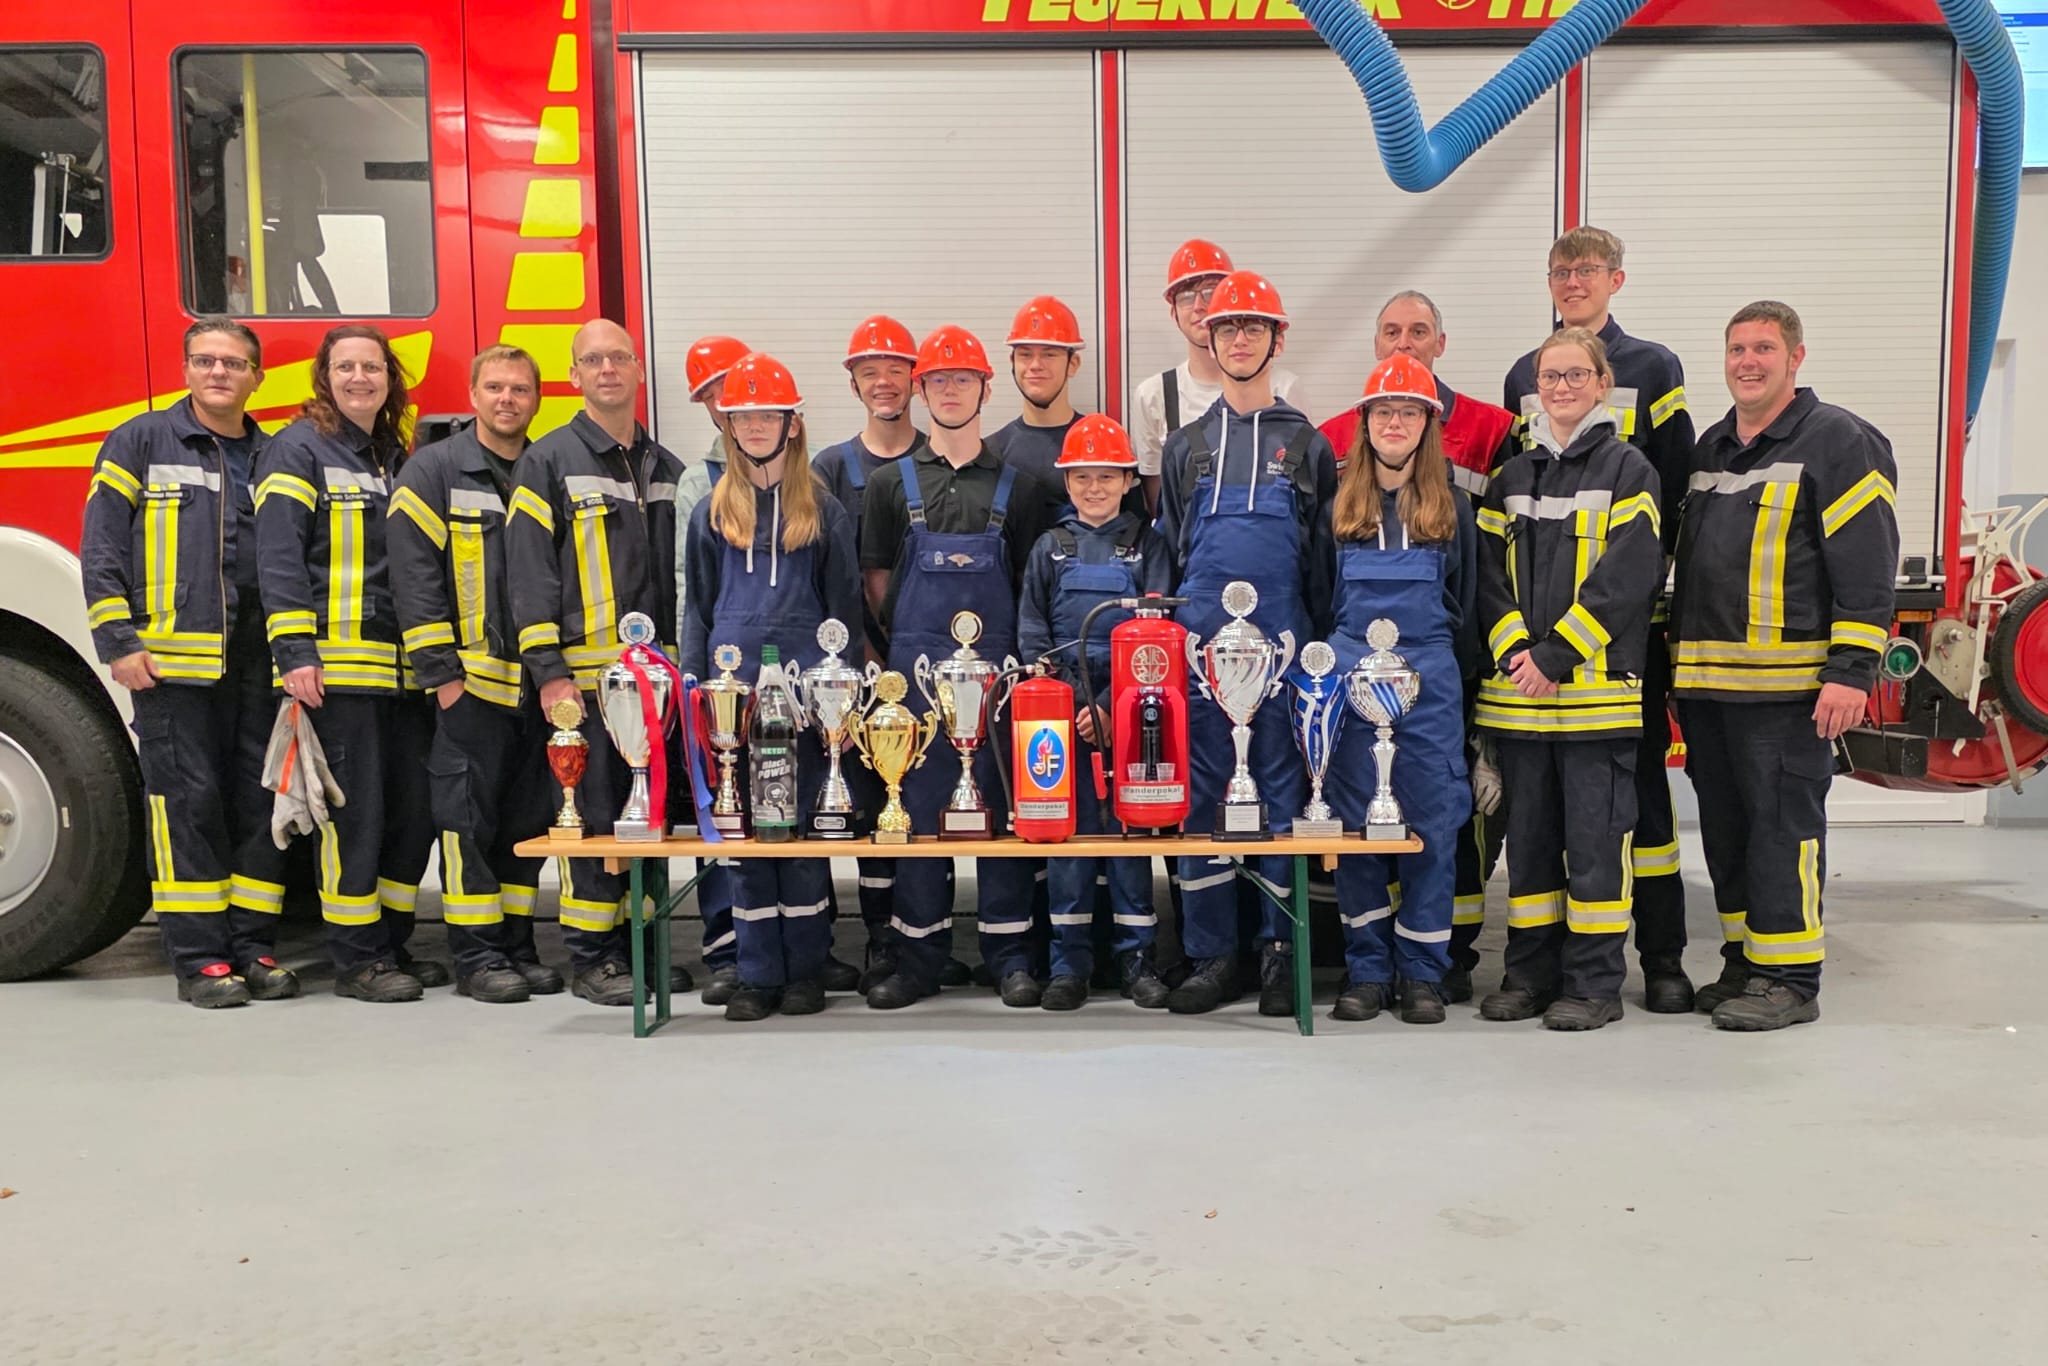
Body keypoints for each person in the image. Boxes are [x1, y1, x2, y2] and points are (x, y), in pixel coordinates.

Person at [1672, 301, 1899, 1031]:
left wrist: (1852, 669)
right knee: (1728, 834)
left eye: (1764, 348)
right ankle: (1746, 962)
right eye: (1738, 348)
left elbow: (1867, 565)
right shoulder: (1711, 448)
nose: (1748, 362)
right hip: (1710, 689)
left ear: (1795, 357)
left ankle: (1790, 979)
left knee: (1782, 832)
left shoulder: (1837, 440)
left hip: (1788, 691)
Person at [1504, 227, 1695, 1011]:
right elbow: (1514, 511)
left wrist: (1617, 617)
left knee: (1632, 807)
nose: (1572, 281)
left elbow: (1673, 493)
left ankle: (1662, 958)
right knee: (1548, 822)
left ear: (1616, 278)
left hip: (1618, 644)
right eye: (1560, 270)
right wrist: (1527, 647)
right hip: (1536, 661)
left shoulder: (1655, 368)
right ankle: (1544, 970)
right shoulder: (1522, 372)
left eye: (1586, 269)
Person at [80, 318, 297, 1008]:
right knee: (187, 806)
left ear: (257, 377)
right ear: (186, 370)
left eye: (233, 363)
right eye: (205, 361)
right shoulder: (140, 440)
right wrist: (119, 641)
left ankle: (253, 948)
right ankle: (201, 960)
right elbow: (101, 547)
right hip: (172, 668)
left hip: (259, 667)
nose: (218, 372)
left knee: (260, 805)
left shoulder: (273, 454)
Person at [1319, 290, 1515, 1003]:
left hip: (1431, 690)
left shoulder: (1452, 508)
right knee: (1357, 829)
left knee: (1433, 825)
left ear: (1429, 424)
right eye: (1382, 412)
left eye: (1408, 412)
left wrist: (1462, 707)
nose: (1394, 423)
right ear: (1364, 423)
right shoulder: (1338, 510)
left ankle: (1423, 974)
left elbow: (1467, 611)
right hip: (1350, 685)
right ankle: (1368, 970)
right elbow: (1319, 599)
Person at [1156, 270, 1336, 1017]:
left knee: (1283, 793)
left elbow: (1323, 565)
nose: (1238, 338)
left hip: (1287, 651)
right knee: (1205, 796)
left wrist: (1319, 655)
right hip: (1202, 657)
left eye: (1253, 327)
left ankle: (1280, 951)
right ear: (1209, 337)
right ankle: (1213, 955)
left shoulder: (1308, 446)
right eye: (1227, 326)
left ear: (1276, 339)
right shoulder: (1185, 447)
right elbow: (1167, 555)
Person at [858, 325, 1051, 1009]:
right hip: (914, 686)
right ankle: (919, 959)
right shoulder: (888, 485)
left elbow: (1032, 587)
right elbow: (876, 582)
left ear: (984, 390)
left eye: (962, 379)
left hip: (999, 686)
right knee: (914, 814)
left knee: (1003, 814)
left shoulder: (1021, 489)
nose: (949, 390)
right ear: (921, 390)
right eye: (937, 380)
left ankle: (1011, 956)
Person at [1474, 327, 1663, 1030]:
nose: (1561, 387)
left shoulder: (1629, 469)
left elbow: (1629, 576)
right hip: (1520, 706)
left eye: (1576, 374)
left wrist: (1554, 658)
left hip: (1595, 705)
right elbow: (1487, 578)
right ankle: (1528, 977)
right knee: (1527, 853)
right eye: (1550, 376)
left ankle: (1593, 985)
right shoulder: (1510, 478)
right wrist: (1517, 653)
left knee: (1594, 854)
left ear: (1602, 384)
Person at [507, 319, 693, 1007]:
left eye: (619, 357)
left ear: (639, 370)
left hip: (655, 693)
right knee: (588, 822)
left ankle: (639, 949)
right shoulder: (547, 461)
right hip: (582, 688)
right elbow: (527, 573)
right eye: (593, 360)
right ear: (574, 375)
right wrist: (548, 670)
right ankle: (592, 958)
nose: (608, 369)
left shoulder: (667, 468)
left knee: (644, 817)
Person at [679, 353, 862, 1020]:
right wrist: (697, 697)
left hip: (809, 702)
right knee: (748, 844)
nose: (755, 426)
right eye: (744, 416)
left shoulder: (825, 512)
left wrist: (844, 706)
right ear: (728, 426)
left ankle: (805, 971)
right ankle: (757, 973)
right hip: (735, 704)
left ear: (793, 424)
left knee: (805, 839)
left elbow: (844, 613)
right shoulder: (709, 513)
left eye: (768, 415)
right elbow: (698, 610)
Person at [251, 325, 426, 1002]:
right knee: (355, 819)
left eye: (372, 367)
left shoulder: (391, 454)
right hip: (337, 673)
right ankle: (358, 961)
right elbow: (279, 557)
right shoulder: (298, 448)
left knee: (409, 815)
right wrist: (296, 654)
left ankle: (392, 944)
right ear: (325, 377)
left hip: (399, 674)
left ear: (390, 378)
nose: (360, 378)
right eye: (346, 367)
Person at [387, 344, 565, 1004]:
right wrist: (444, 678)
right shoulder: (434, 471)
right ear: (472, 395)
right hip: (470, 687)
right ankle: (477, 955)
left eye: (520, 389)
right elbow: (413, 579)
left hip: (535, 686)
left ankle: (517, 946)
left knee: (526, 821)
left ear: (537, 399)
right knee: (466, 825)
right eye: (495, 387)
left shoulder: (545, 468)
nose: (507, 399)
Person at [1015, 414, 1173, 1011]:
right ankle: (1068, 966)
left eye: (1107, 476)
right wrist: (1073, 705)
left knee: (1129, 837)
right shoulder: (1048, 549)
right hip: (1060, 720)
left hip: (1134, 716)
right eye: (1082, 477)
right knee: (1069, 839)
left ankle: (1137, 960)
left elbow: (1157, 629)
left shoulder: (1150, 546)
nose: (1094, 487)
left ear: (1130, 480)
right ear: (1067, 481)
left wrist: (1110, 708)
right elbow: (1032, 633)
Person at [810, 315, 939, 992]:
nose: (883, 381)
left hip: (932, 670)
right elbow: (825, 577)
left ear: (915, 380)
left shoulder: (939, 461)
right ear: (853, 383)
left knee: (933, 803)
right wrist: (860, 659)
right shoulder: (830, 469)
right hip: (860, 672)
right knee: (868, 805)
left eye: (895, 369)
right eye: (869, 371)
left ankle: (928, 938)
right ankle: (882, 942)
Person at [671, 334, 751, 1006]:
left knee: (781, 809)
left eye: (737, 387)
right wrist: (690, 678)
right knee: (719, 809)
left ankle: (791, 941)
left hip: (779, 676)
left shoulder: (800, 478)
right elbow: (688, 588)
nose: (729, 404)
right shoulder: (699, 485)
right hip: (720, 678)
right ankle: (726, 947)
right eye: (715, 394)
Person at [1132, 239, 1310, 517]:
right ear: (1173, 312)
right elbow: (1161, 507)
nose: (1199, 305)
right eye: (1186, 296)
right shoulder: (1154, 395)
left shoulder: (1284, 387)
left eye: (1210, 291)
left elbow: (1307, 491)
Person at [988, 295, 1087, 511]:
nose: (1035, 365)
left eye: (1049, 354)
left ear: (1073, 364)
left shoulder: (1100, 442)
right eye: (1025, 354)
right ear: (1012, 362)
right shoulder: (992, 452)